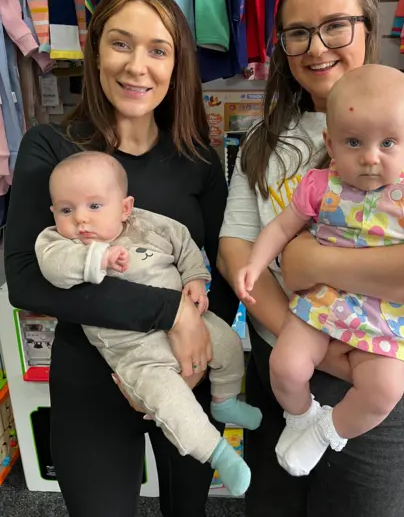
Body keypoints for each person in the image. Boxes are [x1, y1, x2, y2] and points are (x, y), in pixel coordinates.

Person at [217, 0, 404, 517]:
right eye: (297, 33)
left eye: (336, 25)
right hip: (289, 361)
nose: (317, 47)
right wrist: (301, 332)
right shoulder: (268, 136)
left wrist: (313, 263)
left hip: (395, 381)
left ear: (368, 26)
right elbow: (237, 245)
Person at [4, 0, 240, 517]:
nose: (138, 66)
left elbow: (219, 267)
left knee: (188, 509)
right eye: (120, 43)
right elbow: (26, 280)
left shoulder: (198, 157)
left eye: (158, 49)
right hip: (91, 375)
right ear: (95, 51)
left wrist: (193, 347)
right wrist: (168, 311)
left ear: (176, 64)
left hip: (186, 366)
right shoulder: (52, 147)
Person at [235, 64, 404, 477]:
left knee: (384, 390)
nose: (369, 158)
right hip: (322, 300)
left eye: (387, 143)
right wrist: (255, 263)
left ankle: (326, 432)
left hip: (386, 313)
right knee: (286, 365)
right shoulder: (318, 184)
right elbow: (281, 227)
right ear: (330, 143)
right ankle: (300, 419)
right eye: (353, 142)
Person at [35, 151, 262, 496]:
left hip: (191, 326)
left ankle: (225, 399)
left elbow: (184, 242)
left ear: (125, 208)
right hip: (136, 352)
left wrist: (196, 278)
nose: (81, 219)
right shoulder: (59, 242)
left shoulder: (148, 223)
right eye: (67, 210)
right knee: (173, 403)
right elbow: (53, 269)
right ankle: (218, 453)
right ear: (54, 213)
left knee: (229, 344)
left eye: (94, 206)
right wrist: (98, 256)